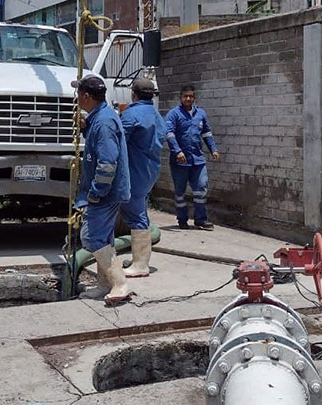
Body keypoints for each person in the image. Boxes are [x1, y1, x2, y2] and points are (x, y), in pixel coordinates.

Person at [71, 76, 132, 303]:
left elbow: (107, 162)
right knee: (104, 239)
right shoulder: (100, 118)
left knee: (92, 237)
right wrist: (85, 128)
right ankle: (105, 285)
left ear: (86, 96)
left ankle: (119, 284)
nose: (76, 98)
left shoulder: (104, 122)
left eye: (78, 94)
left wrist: (96, 192)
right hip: (107, 191)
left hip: (105, 193)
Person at [120, 77, 165, 277]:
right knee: (140, 212)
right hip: (150, 171)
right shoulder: (155, 115)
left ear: (133, 93)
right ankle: (139, 259)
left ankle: (140, 265)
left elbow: (117, 141)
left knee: (136, 216)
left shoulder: (131, 115)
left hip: (134, 172)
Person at [165, 85, 221, 230]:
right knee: (180, 192)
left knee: (201, 188)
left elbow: (207, 133)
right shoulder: (174, 114)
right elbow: (169, 134)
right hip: (180, 161)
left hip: (198, 160)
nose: (188, 99)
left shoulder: (200, 114)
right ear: (180, 97)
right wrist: (178, 151)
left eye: (191, 96)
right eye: (185, 96)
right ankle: (182, 220)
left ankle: (200, 219)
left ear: (194, 97)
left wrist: (213, 149)